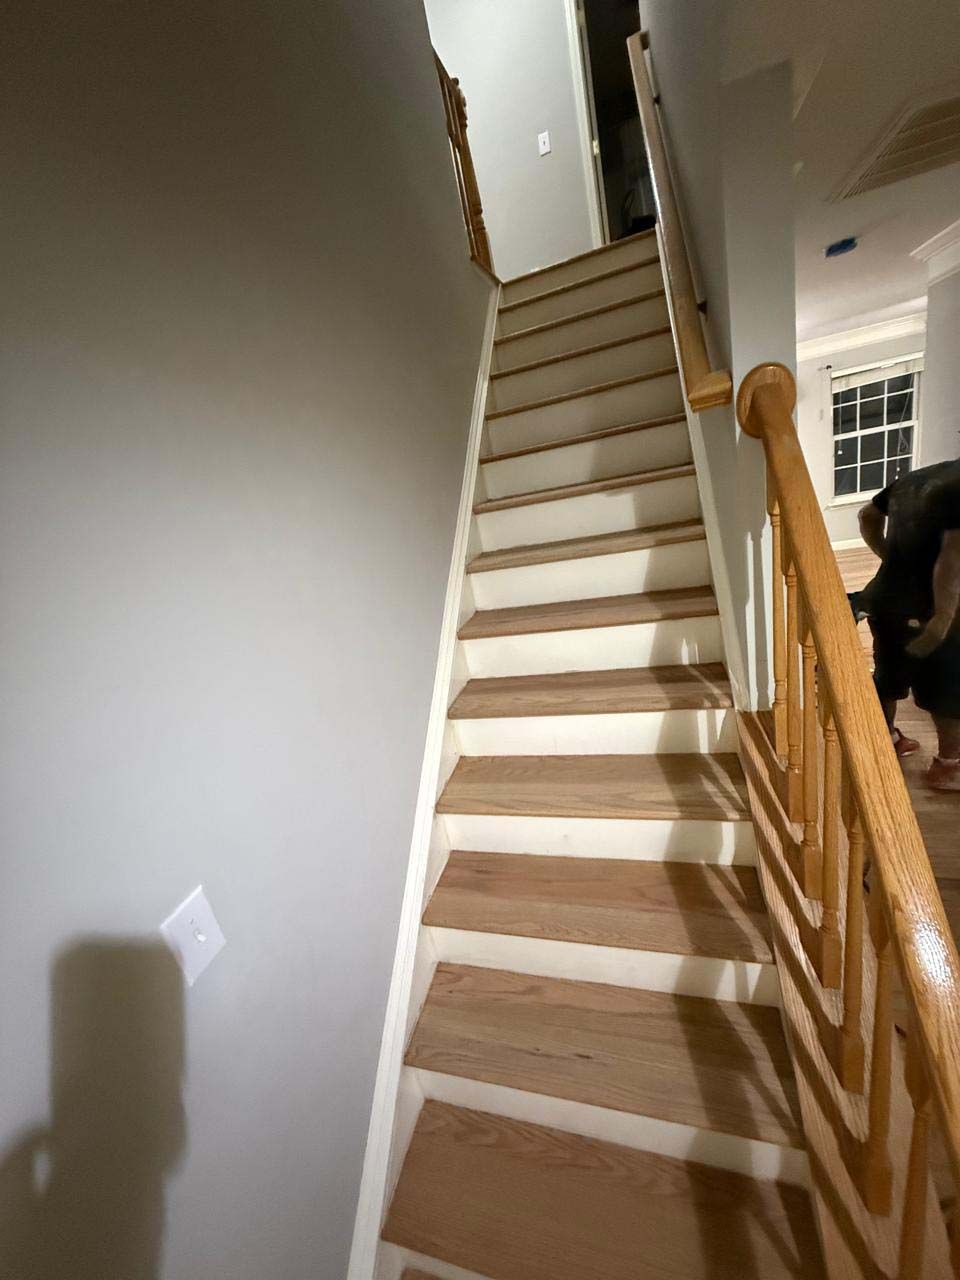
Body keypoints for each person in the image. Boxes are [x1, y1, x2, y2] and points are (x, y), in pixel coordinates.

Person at [858, 458, 960, 791]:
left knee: (888, 675)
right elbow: (952, 558)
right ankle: (949, 768)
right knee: (946, 690)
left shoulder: (915, 478)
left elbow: (867, 516)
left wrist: (890, 557)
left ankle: (886, 738)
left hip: (885, 598)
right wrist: (943, 619)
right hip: (930, 606)